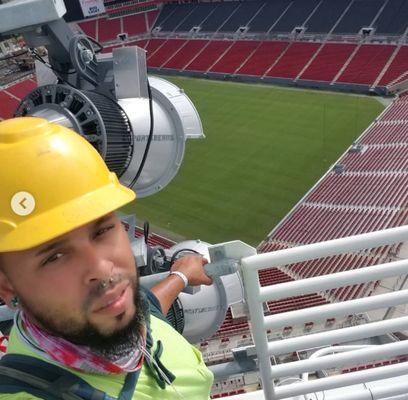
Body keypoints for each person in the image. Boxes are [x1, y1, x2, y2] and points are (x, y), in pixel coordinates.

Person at [0, 117, 214, 399]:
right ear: (7, 287)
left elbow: (147, 309)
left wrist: (180, 276)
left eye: (102, 230)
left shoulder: (117, 314)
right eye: (55, 256)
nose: (102, 269)